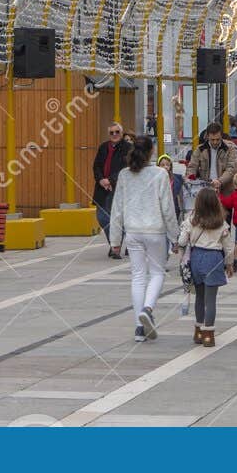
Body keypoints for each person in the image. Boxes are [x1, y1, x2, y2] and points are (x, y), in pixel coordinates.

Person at [108, 134, 180, 343]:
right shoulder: (160, 174)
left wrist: (115, 240)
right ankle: (148, 309)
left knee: (138, 276)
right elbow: (168, 208)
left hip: (132, 231)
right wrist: (175, 237)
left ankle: (139, 327)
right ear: (151, 152)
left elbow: (117, 209)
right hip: (155, 231)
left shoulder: (124, 175)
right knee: (157, 273)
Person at [178, 187, 233, 347]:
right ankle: (209, 335)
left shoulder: (191, 219)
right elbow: (228, 247)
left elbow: (182, 241)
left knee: (199, 297)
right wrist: (229, 264)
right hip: (214, 258)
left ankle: (198, 331)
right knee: (211, 299)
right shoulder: (221, 223)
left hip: (196, 257)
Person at [92, 122, 133, 257]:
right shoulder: (103, 147)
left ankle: (116, 246)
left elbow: (126, 167)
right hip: (102, 188)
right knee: (102, 217)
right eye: (112, 133)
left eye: (117, 132)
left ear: (121, 134)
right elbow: (96, 166)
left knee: (118, 218)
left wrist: (111, 180)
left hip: (119, 188)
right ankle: (114, 243)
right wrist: (101, 180)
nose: (114, 135)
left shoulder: (128, 148)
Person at [158, 154, 185, 219]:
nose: (165, 167)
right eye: (162, 165)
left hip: (174, 208)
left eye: (167, 165)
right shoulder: (155, 179)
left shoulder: (177, 178)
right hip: (160, 209)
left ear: (171, 166)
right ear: (158, 166)